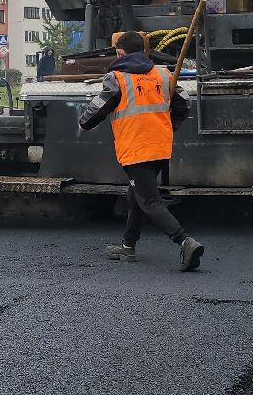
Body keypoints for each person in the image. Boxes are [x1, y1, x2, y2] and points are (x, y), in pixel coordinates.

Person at [78, 30, 207, 271]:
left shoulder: (117, 77)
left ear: (119, 52)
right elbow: (183, 103)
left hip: (136, 148)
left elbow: (99, 106)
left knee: (148, 199)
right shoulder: (162, 73)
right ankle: (128, 246)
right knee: (135, 194)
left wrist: (83, 123)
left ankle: (185, 242)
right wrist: (169, 127)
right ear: (145, 51)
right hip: (160, 145)